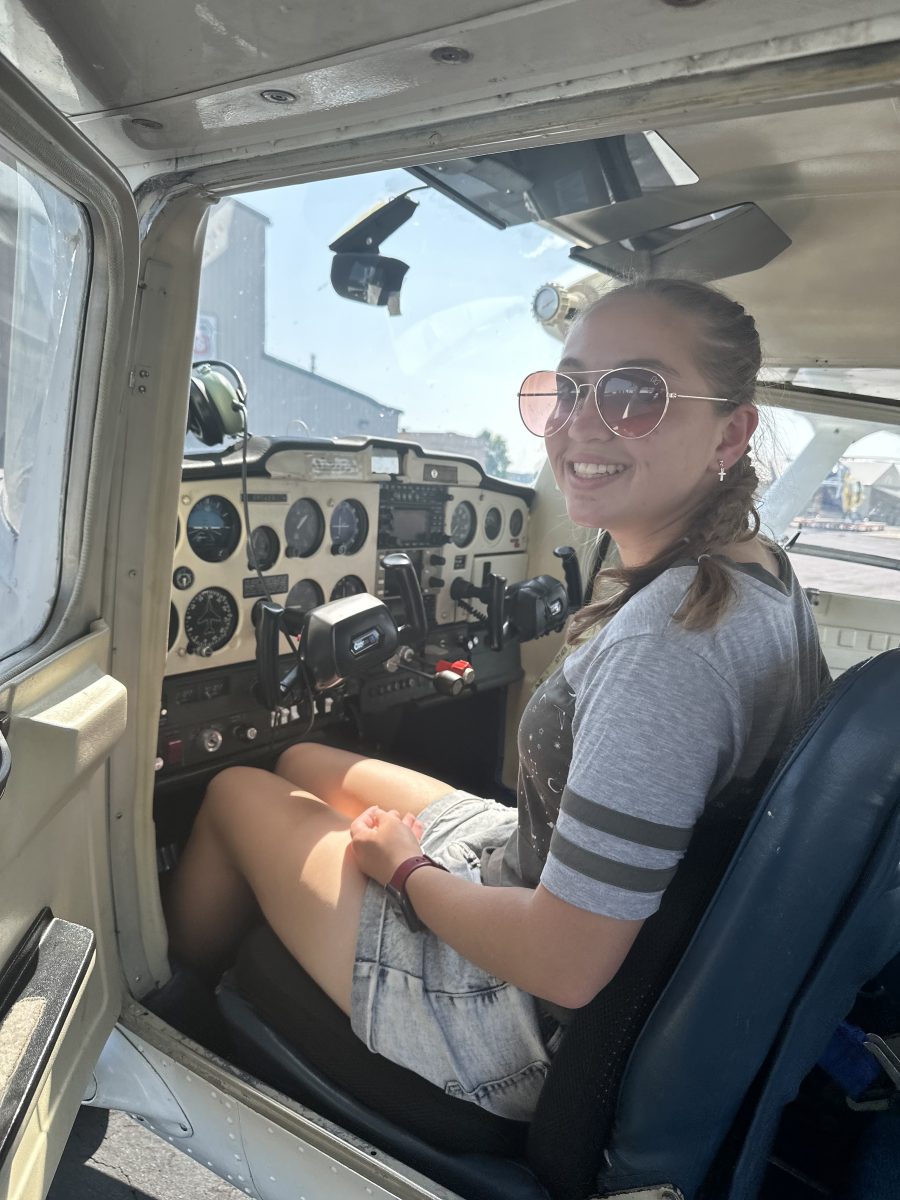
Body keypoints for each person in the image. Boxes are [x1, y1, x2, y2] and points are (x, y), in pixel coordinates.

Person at [165, 277, 829, 1123]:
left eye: (636, 394)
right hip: (543, 872)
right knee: (297, 758)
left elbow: (565, 963)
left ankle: (174, 1016)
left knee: (234, 792)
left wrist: (403, 871)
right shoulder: (756, 568)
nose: (581, 423)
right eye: (569, 388)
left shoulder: (670, 649)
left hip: (518, 1019)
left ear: (730, 433)